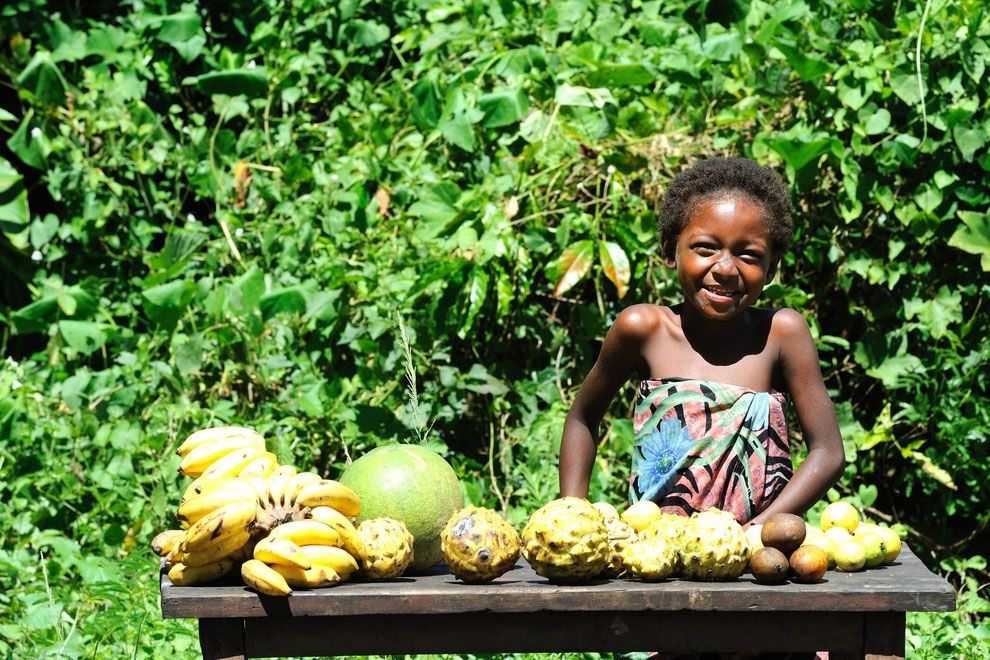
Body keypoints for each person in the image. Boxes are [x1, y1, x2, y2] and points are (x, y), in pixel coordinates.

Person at [558, 157, 845, 527]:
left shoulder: (781, 334)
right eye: (706, 248)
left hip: (757, 563)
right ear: (669, 252)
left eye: (749, 255)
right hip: (657, 553)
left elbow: (828, 453)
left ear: (771, 269)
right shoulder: (643, 329)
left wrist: (755, 532)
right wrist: (572, 517)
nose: (725, 268)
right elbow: (583, 417)